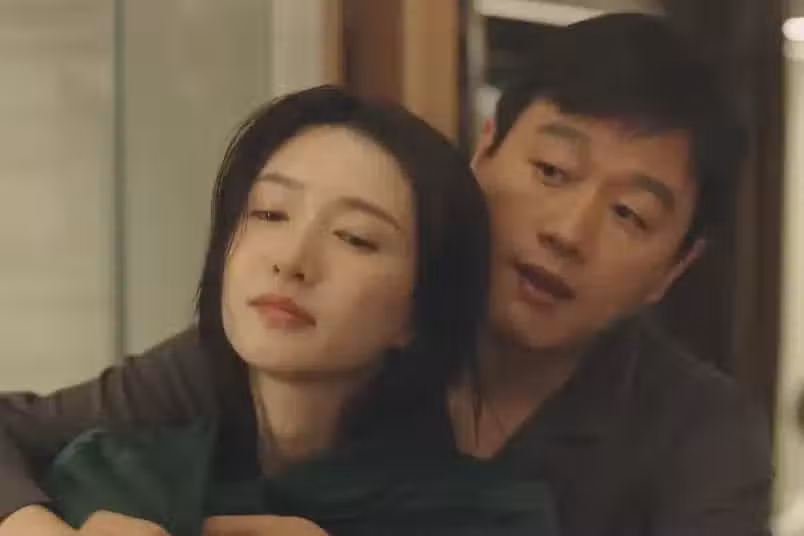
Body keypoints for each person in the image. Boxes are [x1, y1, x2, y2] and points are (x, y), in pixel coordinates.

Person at [0, 13, 772, 536]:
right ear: (485, 149)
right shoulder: (318, 338)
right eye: (550, 170)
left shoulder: (699, 438)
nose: (567, 232)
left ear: (675, 268)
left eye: (630, 214)